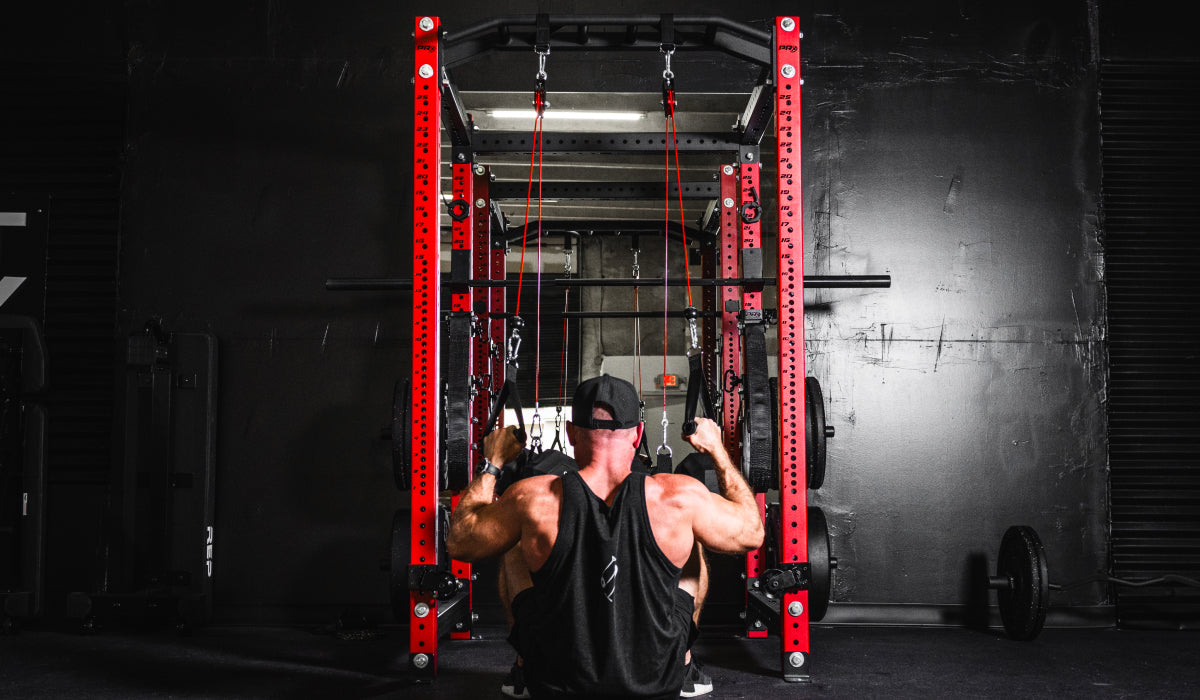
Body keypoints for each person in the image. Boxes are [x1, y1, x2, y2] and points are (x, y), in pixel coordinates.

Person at [447, 374, 764, 699]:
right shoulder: (678, 497)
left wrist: (494, 462)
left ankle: (523, 666)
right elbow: (752, 533)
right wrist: (717, 451)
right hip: (656, 683)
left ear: (571, 433)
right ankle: (682, 666)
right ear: (638, 433)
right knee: (692, 539)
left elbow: (459, 541)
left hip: (554, 683)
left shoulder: (531, 499)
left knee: (516, 542)